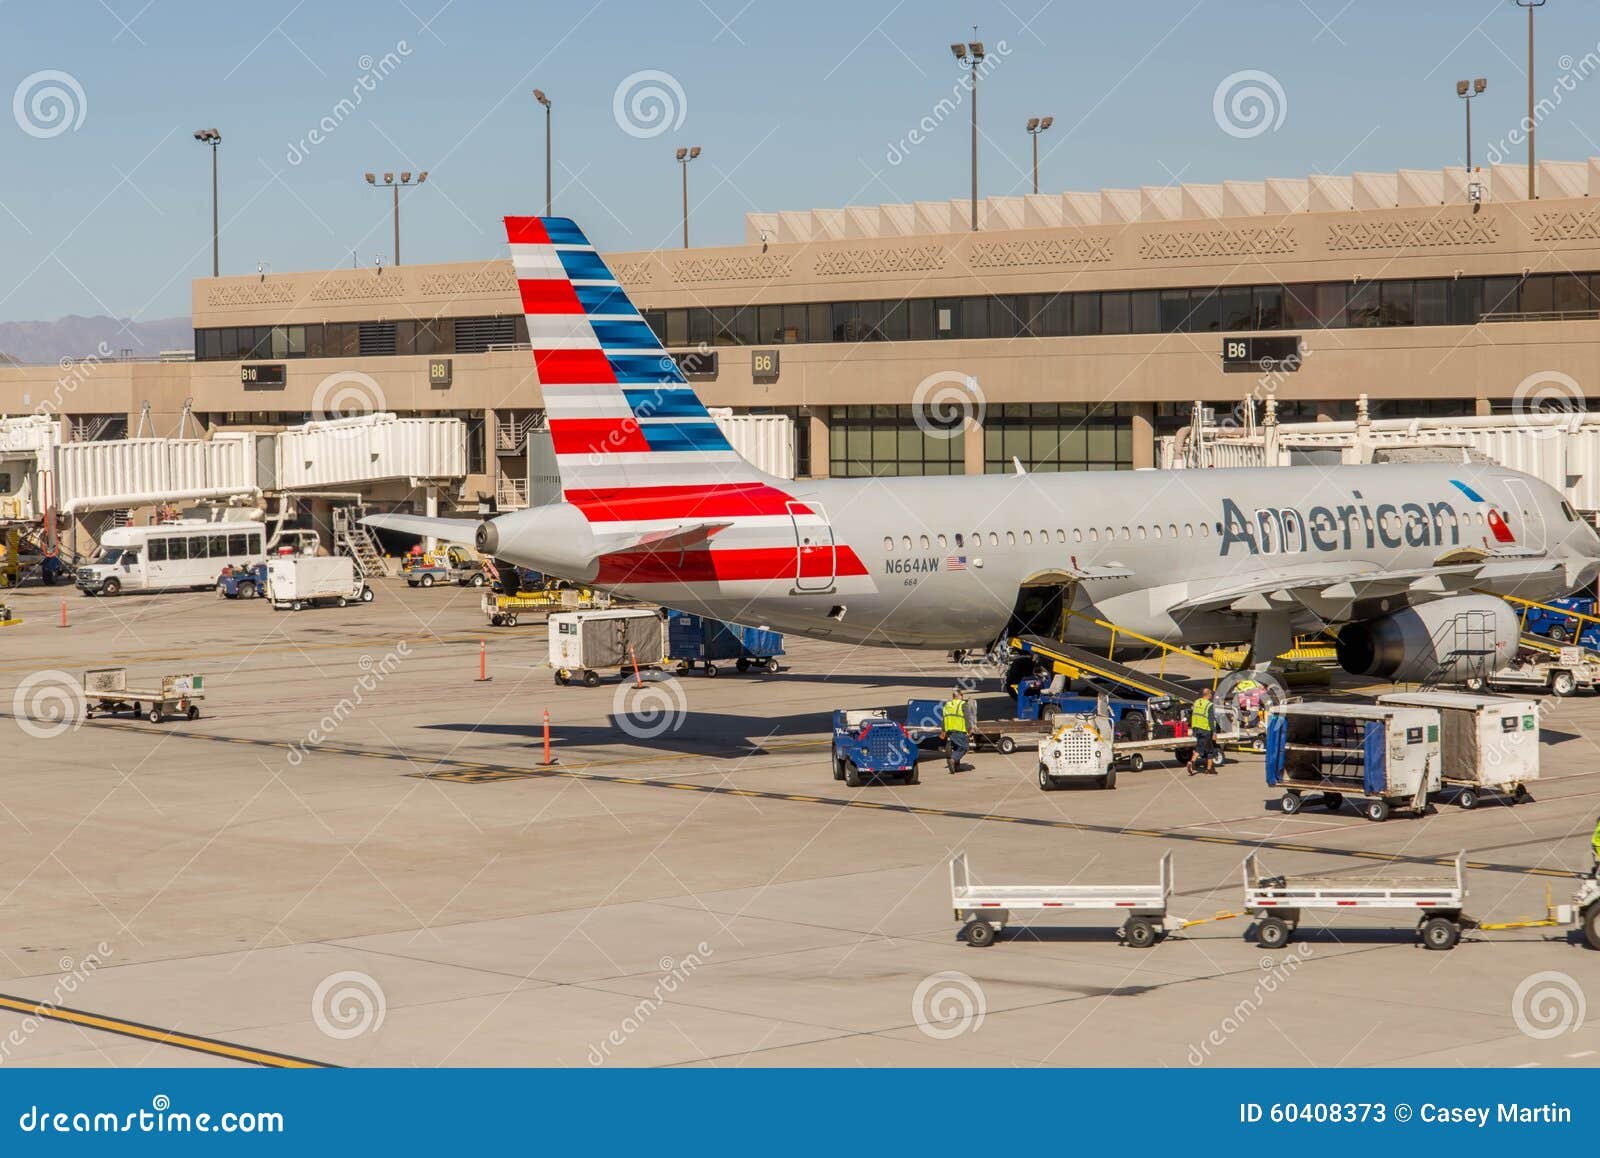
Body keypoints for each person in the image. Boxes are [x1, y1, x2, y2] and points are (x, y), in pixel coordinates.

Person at [940, 688, 971, 774]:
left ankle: (956, 767)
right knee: (964, 748)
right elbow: (967, 718)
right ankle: (953, 760)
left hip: (950, 731)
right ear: (959, 696)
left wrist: (943, 731)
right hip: (960, 730)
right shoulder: (963, 704)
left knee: (957, 747)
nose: (963, 697)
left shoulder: (947, 705)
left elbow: (944, 719)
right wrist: (969, 729)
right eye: (962, 695)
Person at [1187, 685, 1217, 775]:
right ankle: (1191, 762)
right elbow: (1211, 719)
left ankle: (1209, 769)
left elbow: (1192, 714)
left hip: (1196, 728)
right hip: (1205, 729)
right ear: (1208, 695)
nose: (1212, 695)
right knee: (1201, 749)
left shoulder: (1196, 702)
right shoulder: (1209, 705)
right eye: (1211, 694)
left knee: (1208, 748)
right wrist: (1214, 732)